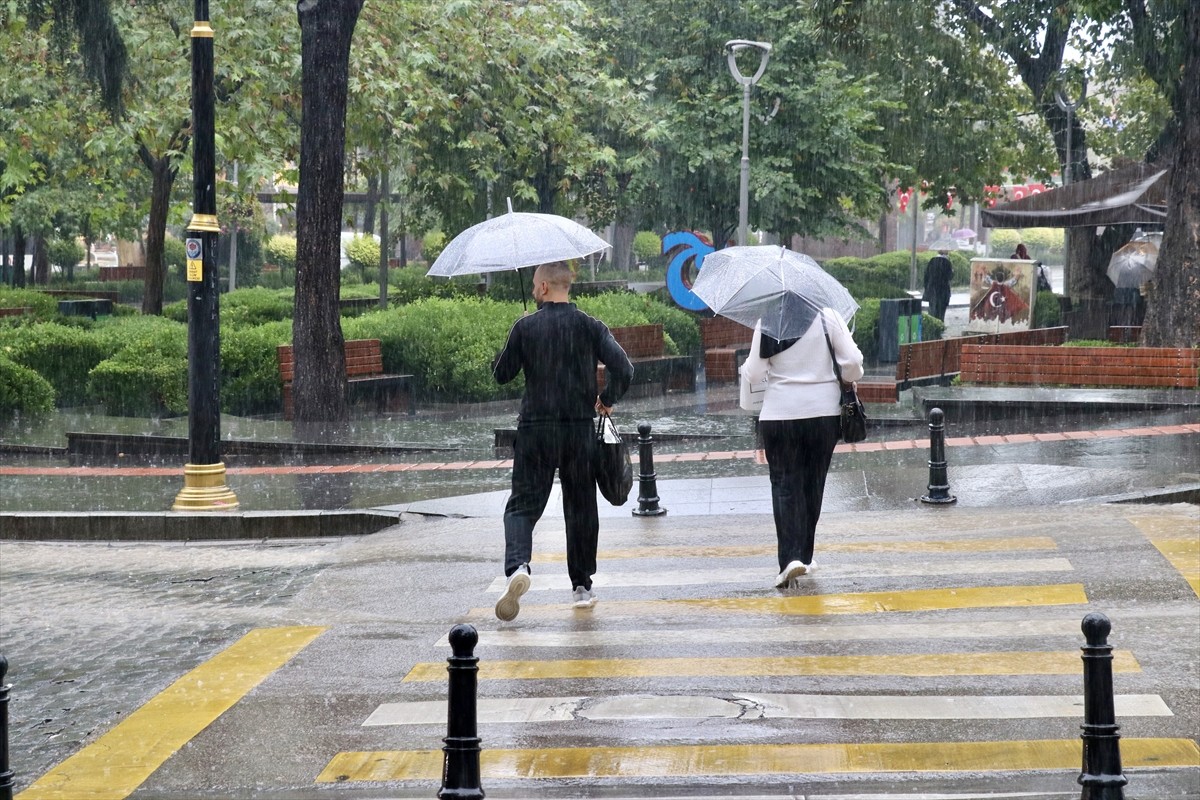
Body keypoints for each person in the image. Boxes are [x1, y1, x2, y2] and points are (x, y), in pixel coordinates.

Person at [491, 260, 634, 621]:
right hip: (578, 431)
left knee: (522, 506)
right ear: (566, 287)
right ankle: (582, 585)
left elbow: (502, 375)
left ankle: (519, 566)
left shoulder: (526, 327)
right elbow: (625, 368)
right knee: (581, 506)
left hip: (536, 432)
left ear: (541, 288)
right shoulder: (589, 326)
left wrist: (519, 334)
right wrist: (608, 398)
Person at [742, 308, 864, 589]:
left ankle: (790, 560)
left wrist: (752, 367)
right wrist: (844, 375)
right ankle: (804, 556)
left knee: (785, 486)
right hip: (823, 415)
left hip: (780, 415)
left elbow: (754, 373)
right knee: (813, 483)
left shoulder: (769, 319)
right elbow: (854, 362)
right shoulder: (828, 317)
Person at [922, 249, 954, 321]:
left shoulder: (932, 261)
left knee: (932, 309)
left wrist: (927, 287)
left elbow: (926, 276)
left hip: (932, 289)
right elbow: (950, 276)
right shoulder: (947, 262)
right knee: (941, 310)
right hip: (943, 290)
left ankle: (933, 324)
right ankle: (940, 324)